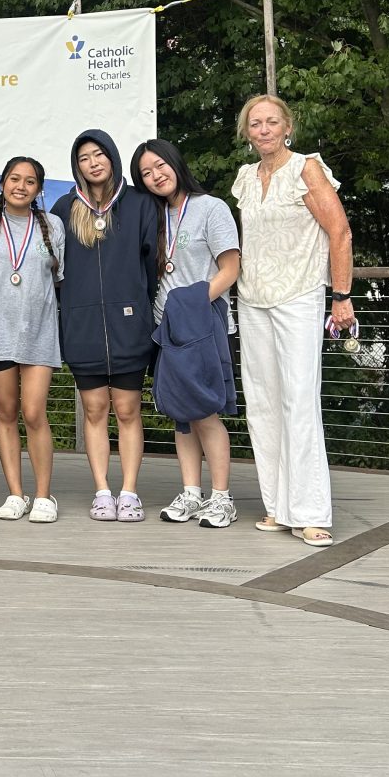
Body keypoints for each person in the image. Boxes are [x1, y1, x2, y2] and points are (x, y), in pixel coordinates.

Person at [231, 94, 354, 548]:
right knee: (263, 401)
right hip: (253, 297)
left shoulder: (306, 169)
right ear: (248, 132)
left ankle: (311, 511)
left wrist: (341, 297)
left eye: (271, 122)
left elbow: (339, 232)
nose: (262, 129)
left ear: (287, 127)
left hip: (299, 295)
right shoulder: (246, 177)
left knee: (300, 400)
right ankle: (278, 507)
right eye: (255, 123)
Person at [50, 130, 158, 522]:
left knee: (128, 409)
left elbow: (150, 264)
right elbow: (54, 269)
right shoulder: (64, 208)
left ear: (112, 157)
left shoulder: (140, 205)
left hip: (130, 326)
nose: (93, 162)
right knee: (94, 409)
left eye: (99, 154)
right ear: (76, 166)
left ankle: (129, 492)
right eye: (84, 158)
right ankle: (102, 491)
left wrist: (136, 305)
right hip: (82, 328)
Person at [134, 139, 241, 529]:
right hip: (166, 330)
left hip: (202, 324)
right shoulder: (152, 215)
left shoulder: (212, 208)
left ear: (176, 163)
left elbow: (230, 268)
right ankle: (192, 493)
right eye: (146, 173)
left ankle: (222, 498)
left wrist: (190, 303)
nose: (155, 175)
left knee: (206, 412)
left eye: (160, 165)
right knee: (181, 416)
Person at [0, 157, 64, 523]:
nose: (21, 186)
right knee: (6, 412)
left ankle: (44, 495)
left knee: (33, 412)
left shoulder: (53, 225)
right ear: (1, 183)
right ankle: (16, 493)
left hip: (40, 330)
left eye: (30, 182)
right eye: (15, 178)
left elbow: (60, 277)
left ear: (39, 189)